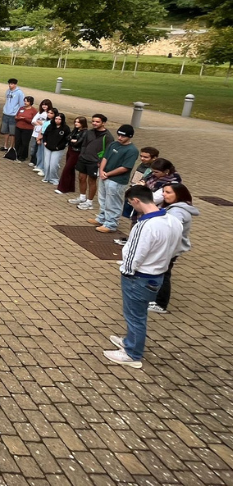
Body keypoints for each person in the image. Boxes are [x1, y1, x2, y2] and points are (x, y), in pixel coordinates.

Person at [104, 186, 181, 369]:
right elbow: (178, 247)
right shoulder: (173, 220)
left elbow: (134, 253)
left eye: (131, 203)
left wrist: (126, 270)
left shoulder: (144, 225)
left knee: (135, 316)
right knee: (138, 314)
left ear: (136, 200)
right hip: (158, 274)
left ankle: (132, 353)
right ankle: (130, 342)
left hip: (139, 276)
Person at [149, 183, 198, 314]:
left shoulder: (176, 211)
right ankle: (157, 299)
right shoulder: (176, 208)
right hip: (170, 249)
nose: (164, 194)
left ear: (179, 195)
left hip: (169, 249)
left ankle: (160, 304)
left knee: (163, 274)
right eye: (164, 191)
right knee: (163, 273)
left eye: (168, 192)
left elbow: (171, 230)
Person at [90, 124, 139, 234]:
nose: (120, 138)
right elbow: (105, 158)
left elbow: (125, 167)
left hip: (117, 180)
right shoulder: (113, 144)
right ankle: (102, 218)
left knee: (113, 202)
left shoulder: (132, 150)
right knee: (102, 199)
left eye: (123, 136)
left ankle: (111, 224)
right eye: (119, 135)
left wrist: (108, 174)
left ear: (130, 136)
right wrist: (102, 171)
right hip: (104, 176)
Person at [69, 114, 113, 211]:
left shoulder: (108, 136)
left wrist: (101, 162)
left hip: (95, 161)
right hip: (84, 158)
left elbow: (108, 151)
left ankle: (89, 202)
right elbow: (84, 144)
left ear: (103, 123)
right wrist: (82, 154)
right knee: (81, 178)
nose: (94, 123)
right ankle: (82, 197)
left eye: (97, 121)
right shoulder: (89, 132)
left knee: (92, 181)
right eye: (93, 121)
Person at [56, 116, 87, 195]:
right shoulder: (75, 130)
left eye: (78, 122)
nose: (76, 124)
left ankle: (62, 188)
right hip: (70, 150)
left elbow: (78, 142)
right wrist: (72, 140)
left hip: (76, 152)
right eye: (75, 122)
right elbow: (68, 137)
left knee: (67, 169)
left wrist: (73, 140)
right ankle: (69, 187)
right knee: (70, 169)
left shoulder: (85, 132)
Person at [40, 112, 70, 186]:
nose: (57, 120)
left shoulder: (65, 128)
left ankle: (54, 178)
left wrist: (59, 147)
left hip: (57, 149)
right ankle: (47, 177)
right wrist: (45, 142)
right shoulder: (51, 126)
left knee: (53, 164)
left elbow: (66, 139)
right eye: (56, 118)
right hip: (48, 147)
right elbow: (45, 134)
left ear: (62, 120)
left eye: (59, 119)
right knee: (47, 164)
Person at [0, 79, 24, 151]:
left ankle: (11, 146)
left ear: (15, 84)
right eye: (9, 84)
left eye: (12, 84)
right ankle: (5, 145)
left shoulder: (19, 93)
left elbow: (21, 104)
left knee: (12, 132)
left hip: (13, 115)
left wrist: (17, 113)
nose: (10, 85)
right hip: (6, 113)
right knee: (5, 131)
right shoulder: (8, 91)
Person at [29, 99, 53, 171]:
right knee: (33, 147)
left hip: (42, 133)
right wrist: (38, 123)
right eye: (43, 104)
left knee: (40, 149)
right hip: (35, 132)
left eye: (46, 105)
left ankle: (38, 163)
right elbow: (33, 121)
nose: (44, 106)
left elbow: (47, 123)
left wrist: (41, 123)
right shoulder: (39, 112)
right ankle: (33, 160)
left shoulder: (49, 114)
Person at [12, 97, 36, 162]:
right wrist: (18, 118)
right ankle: (16, 153)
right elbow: (16, 116)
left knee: (24, 142)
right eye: (24, 101)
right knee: (17, 141)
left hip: (27, 129)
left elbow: (33, 121)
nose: (25, 103)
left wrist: (25, 119)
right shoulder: (21, 108)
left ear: (30, 102)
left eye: (27, 101)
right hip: (19, 127)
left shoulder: (33, 110)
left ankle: (23, 156)